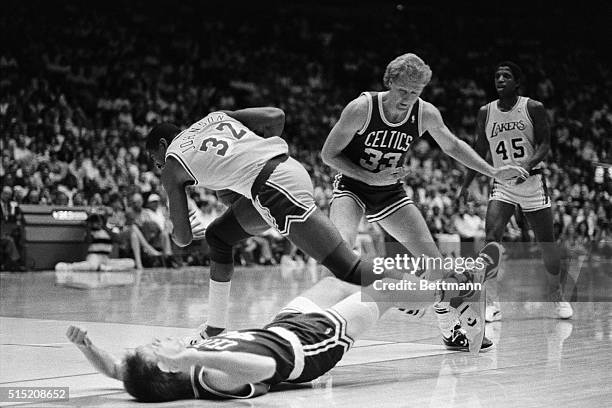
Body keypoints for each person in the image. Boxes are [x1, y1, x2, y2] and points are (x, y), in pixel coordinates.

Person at [145, 106, 515, 343]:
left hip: (273, 189)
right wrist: (242, 157)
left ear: (163, 145)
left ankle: (454, 287)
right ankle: (214, 329)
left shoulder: (173, 163)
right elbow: (276, 117)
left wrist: (180, 210)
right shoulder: (216, 118)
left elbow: (179, 238)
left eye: (154, 160)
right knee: (219, 236)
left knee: (347, 268)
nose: (158, 168)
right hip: (284, 173)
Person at [66, 246, 502, 402]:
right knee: (383, 288)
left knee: (335, 279)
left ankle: (425, 299)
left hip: (281, 326)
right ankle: (454, 295)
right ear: (169, 367)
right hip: (310, 347)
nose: (160, 341)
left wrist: (89, 348)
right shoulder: (211, 377)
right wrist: (190, 354)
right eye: (157, 349)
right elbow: (264, 371)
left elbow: (119, 373)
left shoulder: (166, 373)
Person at [321, 53, 528, 350]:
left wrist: (493, 171)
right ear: (389, 82)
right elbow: (328, 155)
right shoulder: (362, 108)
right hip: (352, 187)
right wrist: (369, 177)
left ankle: (448, 330)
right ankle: (325, 333)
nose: (407, 98)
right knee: (338, 256)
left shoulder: (425, 113)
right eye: (402, 90)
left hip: (390, 192)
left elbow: (453, 145)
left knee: (435, 265)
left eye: (415, 92)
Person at [458, 61, 573, 321]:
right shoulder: (484, 113)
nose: (500, 79)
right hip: (503, 185)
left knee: (547, 245)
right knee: (491, 237)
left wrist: (528, 164)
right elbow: (479, 153)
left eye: (506, 76)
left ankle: (557, 296)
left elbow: (545, 144)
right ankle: (492, 302)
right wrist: (466, 184)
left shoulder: (533, 107)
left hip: (532, 183)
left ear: (517, 82)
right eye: (497, 75)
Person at [55, 213, 136, 273]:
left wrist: (104, 227)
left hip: (105, 258)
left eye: (98, 221)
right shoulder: (91, 232)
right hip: (94, 257)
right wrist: (88, 228)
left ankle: (106, 268)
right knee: (93, 266)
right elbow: (88, 241)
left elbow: (117, 239)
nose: (96, 223)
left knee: (131, 263)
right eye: (94, 221)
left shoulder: (109, 231)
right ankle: (68, 267)